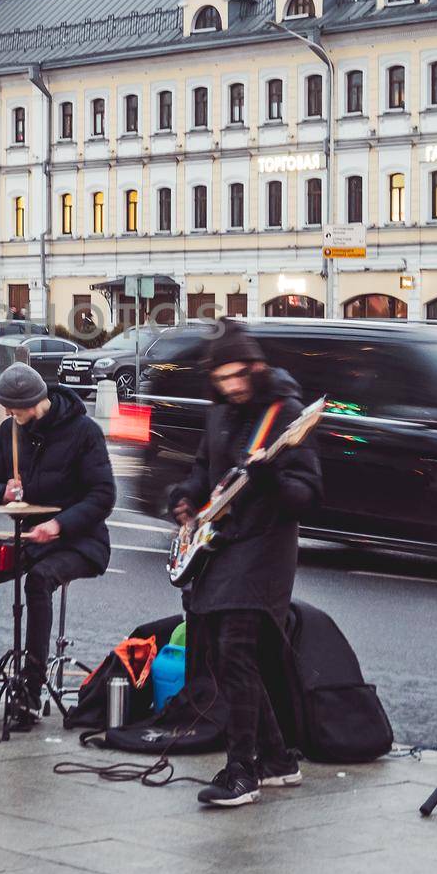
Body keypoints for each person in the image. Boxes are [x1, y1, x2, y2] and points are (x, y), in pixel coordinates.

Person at [168, 321, 322, 808]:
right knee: (219, 651)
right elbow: (202, 471)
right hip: (222, 545)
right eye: (222, 378)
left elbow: (307, 496)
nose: (232, 386)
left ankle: (242, 770)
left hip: (266, 549)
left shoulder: (287, 414)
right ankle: (278, 759)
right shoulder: (218, 414)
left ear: (255, 368)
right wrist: (186, 501)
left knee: (237, 649)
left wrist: (271, 477)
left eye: (238, 375)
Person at [0, 363, 114, 731]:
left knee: (39, 581)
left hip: (79, 540)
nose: (8, 415)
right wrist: (2, 492)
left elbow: (103, 495)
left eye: (13, 408)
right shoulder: (10, 432)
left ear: (35, 402)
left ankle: (29, 694)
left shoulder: (84, 433)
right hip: (30, 537)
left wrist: (59, 524)